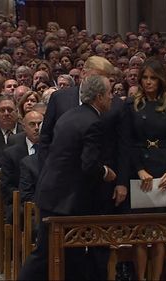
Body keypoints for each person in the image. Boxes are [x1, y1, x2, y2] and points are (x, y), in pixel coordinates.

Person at [18, 75, 117, 280]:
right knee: (45, 255)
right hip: (65, 200)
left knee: (72, 256)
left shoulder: (70, 115)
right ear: (99, 97)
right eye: (109, 94)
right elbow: (88, 165)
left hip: (53, 194)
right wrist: (106, 172)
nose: (112, 98)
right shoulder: (93, 123)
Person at [122, 58, 166, 280]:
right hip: (141, 170)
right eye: (144, 78)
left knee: (160, 233)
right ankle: (140, 277)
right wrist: (139, 169)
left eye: (152, 78)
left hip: (165, 169)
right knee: (140, 232)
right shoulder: (131, 105)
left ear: (160, 80)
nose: (148, 82)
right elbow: (126, 141)